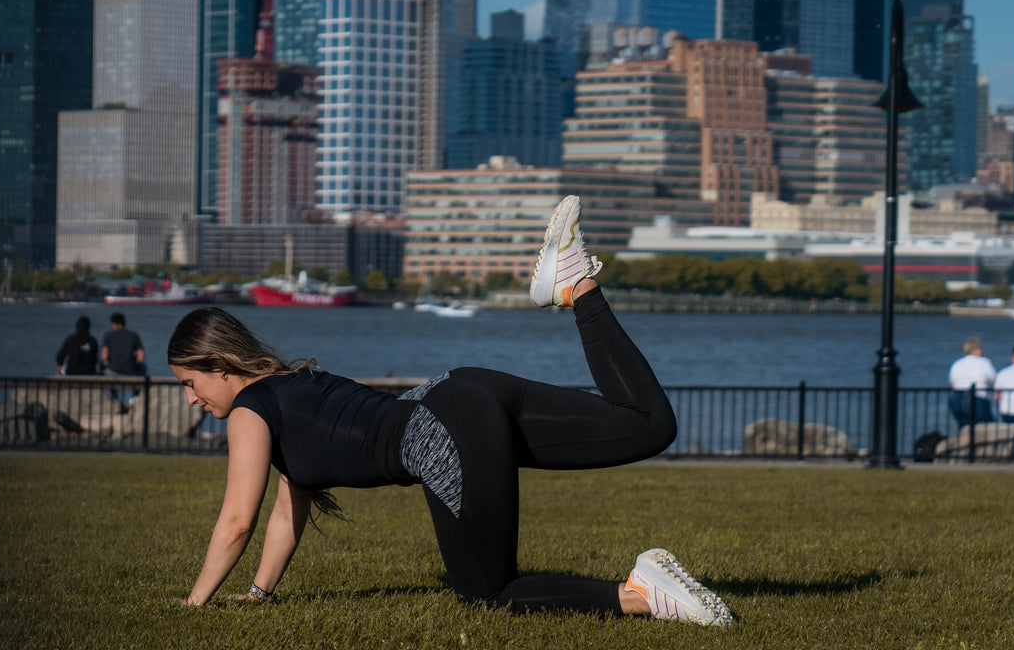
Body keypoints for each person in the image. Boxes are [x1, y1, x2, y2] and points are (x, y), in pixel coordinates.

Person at [165, 195, 733, 626]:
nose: (192, 398)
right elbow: (286, 513)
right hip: (461, 391)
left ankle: (641, 594)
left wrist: (193, 604)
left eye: (190, 383)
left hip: (445, 430)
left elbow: (237, 522)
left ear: (218, 362)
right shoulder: (293, 386)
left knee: (489, 594)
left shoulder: (250, 409)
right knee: (648, 424)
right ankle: (577, 282)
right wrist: (260, 593)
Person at [947, 336, 996, 428]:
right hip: (976, 400)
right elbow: (992, 380)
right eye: (981, 348)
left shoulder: (957, 363)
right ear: (975, 349)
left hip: (956, 399)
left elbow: (952, 382)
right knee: (985, 428)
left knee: (964, 428)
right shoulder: (984, 362)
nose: (983, 351)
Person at [101, 312, 147, 401]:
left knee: (103, 367)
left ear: (113, 323)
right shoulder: (134, 335)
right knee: (143, 367)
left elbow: (104, 357)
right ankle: (135, 396)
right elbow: (141, 357)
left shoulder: (108, 335)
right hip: (131, 373)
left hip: (113, 373)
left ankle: (114, 397)